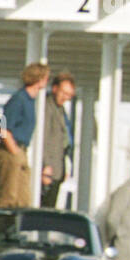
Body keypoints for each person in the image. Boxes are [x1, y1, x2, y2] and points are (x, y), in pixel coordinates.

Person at [0, 62, 49, 208]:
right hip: (10, 150)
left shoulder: (30, 101)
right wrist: (15, 152)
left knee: (23, 200)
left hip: (21, 150)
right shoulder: (19, 99)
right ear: (39, 79)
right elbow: (4, 128)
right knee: (9, 197)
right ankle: (1, 228)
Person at [40, 72, 75, 208]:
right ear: (54, 88)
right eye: (64, 93)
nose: (66, 97)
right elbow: (44, 138)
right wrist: (45, 166)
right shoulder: (47, 107)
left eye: (69, 95)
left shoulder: (61, 110)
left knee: (51, 206)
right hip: (48, 170)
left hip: (58, 170)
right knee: (44, 208)